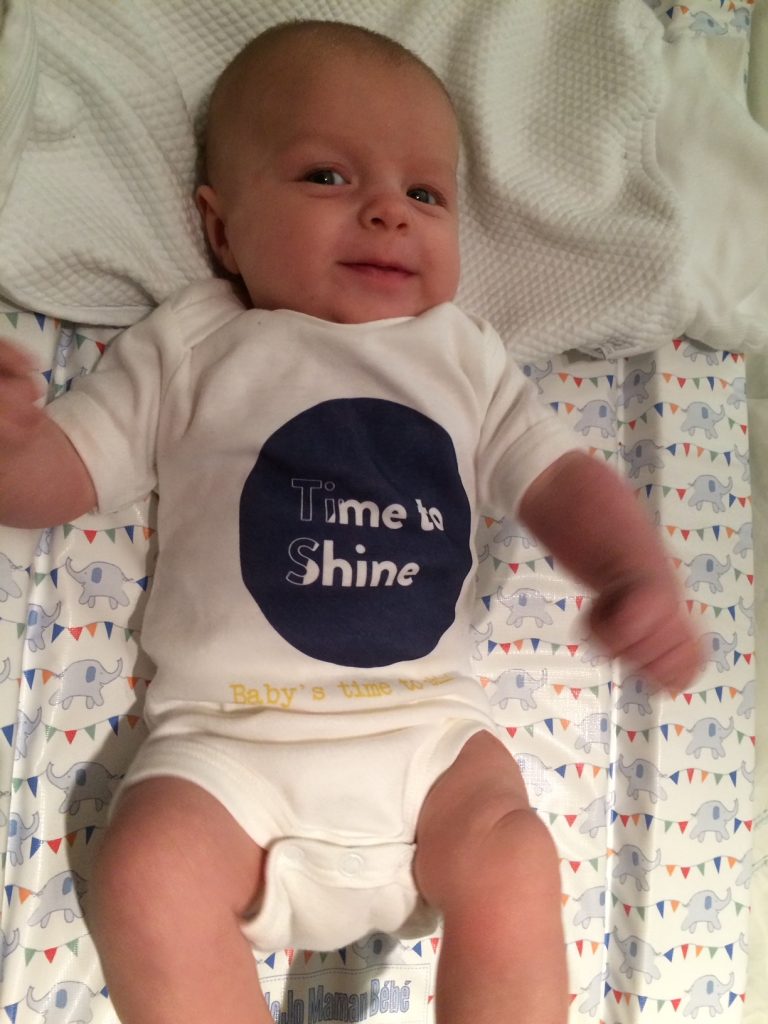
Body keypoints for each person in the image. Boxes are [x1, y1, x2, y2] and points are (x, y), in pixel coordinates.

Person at [0, 19, 702, 1024]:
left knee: (514, 850)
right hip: (227, 750)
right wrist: (14, 453)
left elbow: (560, 478)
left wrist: (633, 570)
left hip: (428, 749)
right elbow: (66, 472)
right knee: (145, 869)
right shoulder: (196, 343)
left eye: (425, 194)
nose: (386, 213)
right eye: (327, 177)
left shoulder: (462, 354)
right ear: (223, 226)